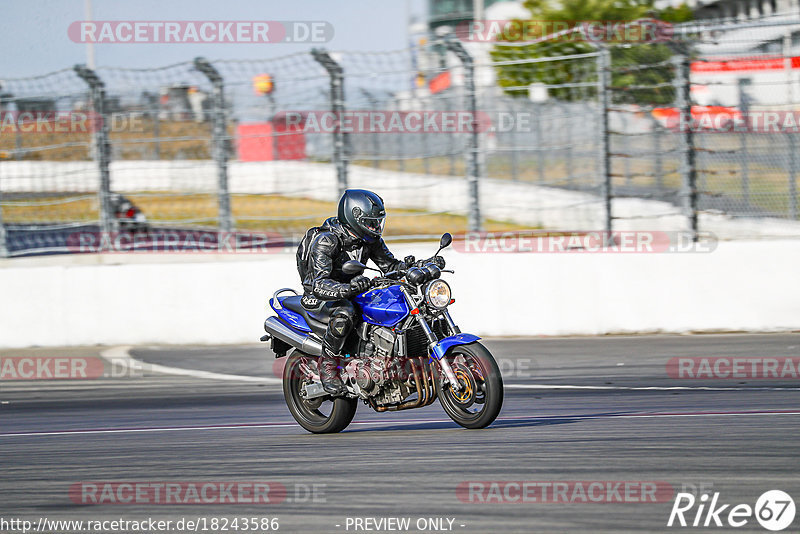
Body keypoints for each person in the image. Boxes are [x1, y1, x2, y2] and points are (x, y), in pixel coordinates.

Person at [296, 189, 444, 395]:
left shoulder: (369, 238)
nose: (375, 226)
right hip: (319, 296)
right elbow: (318, 284)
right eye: (370, 221)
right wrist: (347, 289)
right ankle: (327, 368)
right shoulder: (327, 240)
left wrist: (421, 265)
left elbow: (390, 266)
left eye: (377, 221)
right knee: (345, 313)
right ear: (353, 217)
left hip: (353, 288)